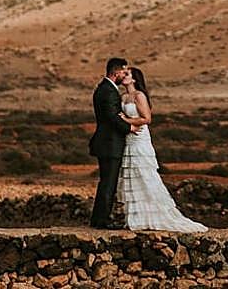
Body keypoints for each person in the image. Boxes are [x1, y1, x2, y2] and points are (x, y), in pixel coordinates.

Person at [114, 66, 207, 231]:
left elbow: (146, 118)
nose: (124, 76)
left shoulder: (139, 96)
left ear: (134, 79)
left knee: (144, 173)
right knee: (132, 174)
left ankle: (154, 214)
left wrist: (127, 121)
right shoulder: (124, 96)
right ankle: (136, 217)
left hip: (139, 137)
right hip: (128, 138)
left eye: (127, 74)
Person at [88, 57, 133, 228]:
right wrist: (130, 128)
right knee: (108, 183)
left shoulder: (104, 88)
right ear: (115, 72)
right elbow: (112, 117)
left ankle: (99, 219)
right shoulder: (108, 91)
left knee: (106, 182)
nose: (124, 75)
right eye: (123, 71)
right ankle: (101, 221)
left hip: (106, 142)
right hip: (109, 143)